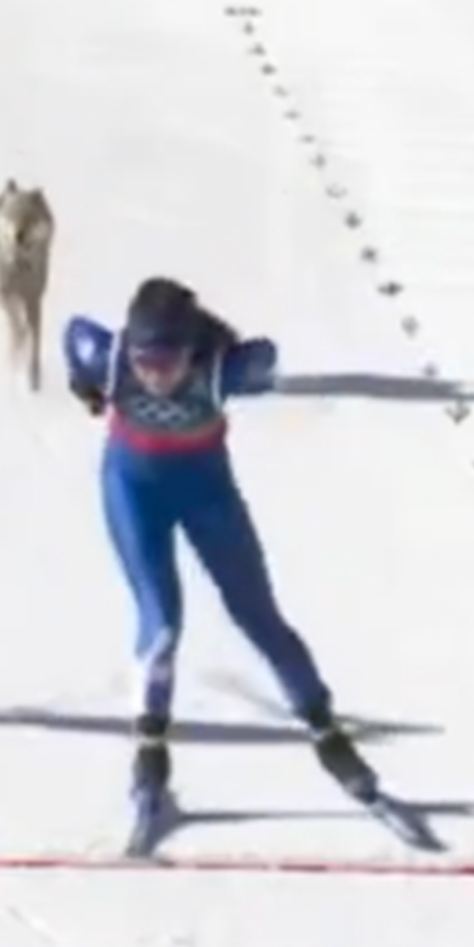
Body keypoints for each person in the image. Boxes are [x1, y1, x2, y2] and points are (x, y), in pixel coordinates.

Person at [63, 277, 376, 808]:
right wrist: (83, 384)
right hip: (133, 490)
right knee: (161, 622)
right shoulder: (110, 357)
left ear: (193, 352)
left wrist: (236, 362)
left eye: (166, 363)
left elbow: (266, 357)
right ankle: (151, 749)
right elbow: (74, 335)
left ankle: (327, 732)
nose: (153, 376)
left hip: (207, 492)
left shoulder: (219, 370)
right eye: (143, 362)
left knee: (258, 616)